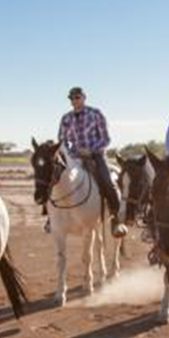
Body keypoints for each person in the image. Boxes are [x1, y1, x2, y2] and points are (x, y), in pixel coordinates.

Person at [57, 87, 128, 238]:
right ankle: (52, 218)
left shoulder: (95, 114)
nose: (74, 100)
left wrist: (90, 150)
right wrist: (73, 151)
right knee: (56, 178)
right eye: (72, 98)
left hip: (96, 156)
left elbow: (106, 139)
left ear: (83, 98)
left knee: (107, 181)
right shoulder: (66, 119)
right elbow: (62, 141)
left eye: (77, 97)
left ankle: (116, 219)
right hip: (74, 157)